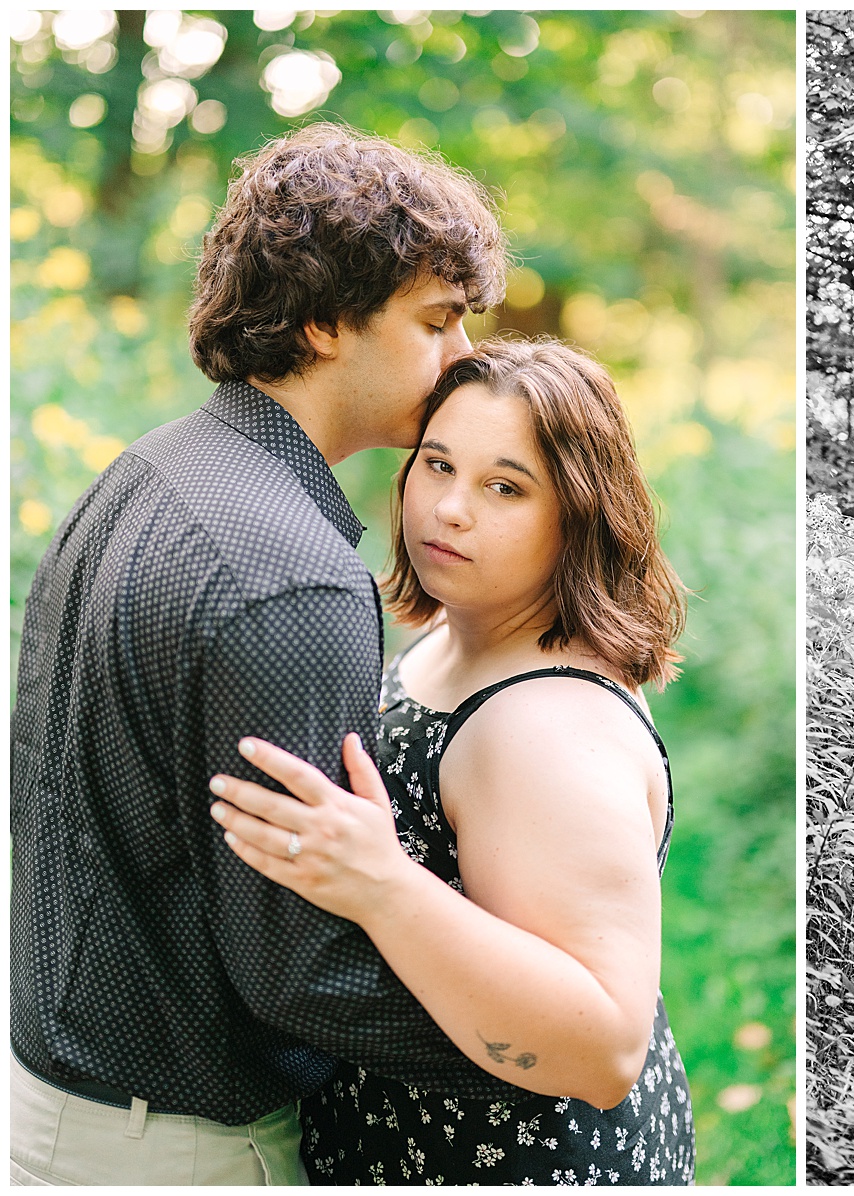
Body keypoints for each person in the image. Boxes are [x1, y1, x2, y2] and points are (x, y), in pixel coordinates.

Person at [10, 124, 518, 1185]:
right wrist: (542, 1049)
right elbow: (301, 970)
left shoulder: (144, 472)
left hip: (62, 1106)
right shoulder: (295, 577)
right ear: (328, 320)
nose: (462, 354)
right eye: (435, 320)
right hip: (174, 1147)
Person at [207, 338, 696, 1185]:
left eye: (505, 487)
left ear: (578, 514)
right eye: (437, 466)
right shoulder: (458, 632)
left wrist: (381, 884)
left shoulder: (545, 724)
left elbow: (606, 1046)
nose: (450, 509)